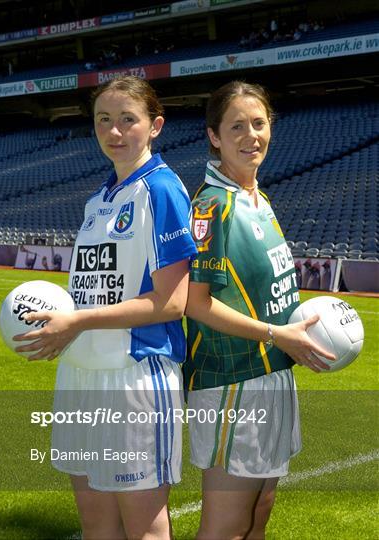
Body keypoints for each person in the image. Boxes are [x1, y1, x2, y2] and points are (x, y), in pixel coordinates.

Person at [14, 75, 197, 540]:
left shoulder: (161, 190)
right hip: (82, 372)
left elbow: (171, 302)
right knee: (95, 524)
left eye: (128, 120)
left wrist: (76, 321)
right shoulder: (98, 200)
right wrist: (58, 321)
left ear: (155, 125)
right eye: (104, 120)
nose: (115, 132)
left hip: (133, 374)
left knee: (145, 529)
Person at [184, 81, 335, 540]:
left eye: (258, 123)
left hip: (271, 375)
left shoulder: (258, 199)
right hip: (233, 383)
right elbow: (196, 303)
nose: (251, 135)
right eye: (236, 126)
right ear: (214, 136)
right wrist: (276, 334)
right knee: (226, 526)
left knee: (260, 510)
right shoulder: (213, 205)